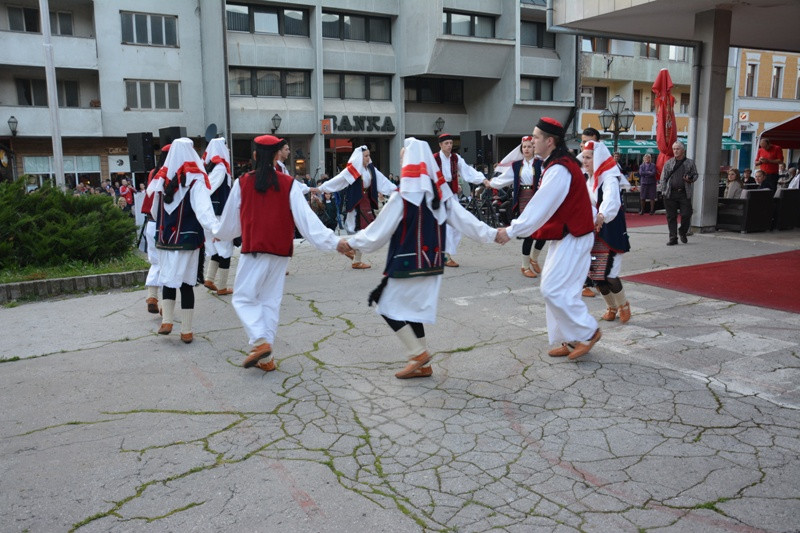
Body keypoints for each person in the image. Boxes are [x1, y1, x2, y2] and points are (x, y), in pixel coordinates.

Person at [345, 138, 498, 379]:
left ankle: (417, 354)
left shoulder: (403, 197)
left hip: (406, 263)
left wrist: (347, 243)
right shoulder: (440, 196)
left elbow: (376, 235)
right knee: (411, 311)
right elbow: (467, 222)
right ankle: (423, 364)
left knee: (385, 305)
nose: (402, 160)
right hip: (431, 264)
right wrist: (493, 235)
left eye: (403, 156)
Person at [213, 135, 348, 371]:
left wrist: (220, 234)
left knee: (244, 298)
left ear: (255, 156)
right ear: (277, 155)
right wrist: (334, 242)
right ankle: (266, 358)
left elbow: (231, 222)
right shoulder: (289, 184)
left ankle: (259, 341)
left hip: (255, 248)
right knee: (269, 301)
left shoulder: (243, 182)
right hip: (280, 251)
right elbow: (307, 222)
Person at [496, 118, 600, 361]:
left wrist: (510, 231)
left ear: (550, 141)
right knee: (560, 290)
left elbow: (539, 207)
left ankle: (588, 331)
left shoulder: (559, 168)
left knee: (552, 289)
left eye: (536, 137)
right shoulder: (558, 164)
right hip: (568, 235)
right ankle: (571, 338)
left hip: (573, 236)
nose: (532, 141)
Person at [147, 138, 220, 344]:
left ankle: (167, 321)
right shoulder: (195, 179)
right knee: (187, 284)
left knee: (168, 279)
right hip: (187, 239)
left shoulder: (161, 179)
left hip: (164, 239)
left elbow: (153, 210)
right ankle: (186, 331)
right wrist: (216, 229)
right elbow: (203, 210)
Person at [316, 145, 397, 269]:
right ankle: (353, 256)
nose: (368, 158)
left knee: (365, 231)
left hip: (366, 203)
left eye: (369, 155)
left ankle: (350, 250)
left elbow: (383, 182)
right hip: (356, 204)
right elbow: (339, 180)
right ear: (360, 157)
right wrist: (320, 188)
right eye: (366, 156)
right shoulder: (353, 170)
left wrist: (396, 190)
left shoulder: (371, 169)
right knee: (361, 231)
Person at [582, 141, 632, 323]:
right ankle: (611, 307)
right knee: (597, 275)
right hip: (594, 232)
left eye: (588, 157)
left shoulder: (609, 178)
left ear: (599, 158)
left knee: (610, 274)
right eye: (584, 157)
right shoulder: (588, 179)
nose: (584, 160)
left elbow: (611, 199)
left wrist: (602, 215)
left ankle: (624, 305)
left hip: (611, 231)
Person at [483, 136, 546, 278]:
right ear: (521, 149)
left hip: (538, 197)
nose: (527, 149)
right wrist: (491, 183)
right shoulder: (517, 165)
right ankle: (525, 266)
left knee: (544, 231)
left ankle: (534, 258)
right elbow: (505, 178)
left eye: (529, 146)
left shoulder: (541, 164)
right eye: (524, 147)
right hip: (523, 198)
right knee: (528, 232)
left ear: (534, 148)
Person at [433, 133, 487, 267]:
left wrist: (482, 179)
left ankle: (445, 254)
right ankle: (442, 255)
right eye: (446, 143)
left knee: (455, 224)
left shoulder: (456, 158)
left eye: (451, 143)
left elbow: (467, 171)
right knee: (439, 225)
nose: (449, 146)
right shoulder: (433, 159)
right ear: (440, 145)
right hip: (438, 195)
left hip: (451, 195)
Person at [201, 137, 235, 296]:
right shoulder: (220, 167)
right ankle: (221, 286)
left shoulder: (207, 167)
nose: (227, 150)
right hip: (218, 213)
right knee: (225, 248)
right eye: (226, 147)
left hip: (211, 213)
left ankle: (209, 278)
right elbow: (208, 188)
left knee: (216, 248)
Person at [140, 143, 171, 314]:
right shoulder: (172, 175)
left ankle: (152, 296)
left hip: (150, 223)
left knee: (155, 261)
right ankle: (166, 306)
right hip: (165, 224)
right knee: (167, 264)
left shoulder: (153, 172)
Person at [660, 140, 698, 245]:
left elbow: (695, 174)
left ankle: (682, 231)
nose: (675, 151)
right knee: (671, 216)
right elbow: (663, 178)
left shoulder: (690, 162)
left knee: (687, 214)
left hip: (684, 193)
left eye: (678, 149)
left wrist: (690, 179)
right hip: (670, 193)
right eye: (674, 149)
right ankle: (673, 237)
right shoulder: (669, 162)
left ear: (683, 150)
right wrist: (663, 191)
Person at [580, 127, 602, 298]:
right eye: (582, 141)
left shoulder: (605, 168)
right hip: (582, 216)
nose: (584, 145)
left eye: (588, 141)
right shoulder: (577, 166)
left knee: (596, 251)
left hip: (600, 217)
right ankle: (583, 283)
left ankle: (592, 279)